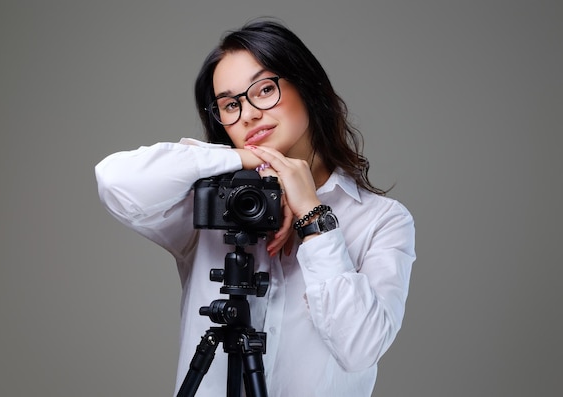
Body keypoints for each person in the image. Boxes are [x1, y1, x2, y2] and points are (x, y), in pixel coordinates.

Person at [95, 19, 415, 397]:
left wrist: (314, 218)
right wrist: (247, 161)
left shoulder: (381, 220)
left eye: (264, 89)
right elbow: (115, 179)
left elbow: (360, 349)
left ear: (308, 87)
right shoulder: (209, 202)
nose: (247, 115)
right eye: (230, 104)